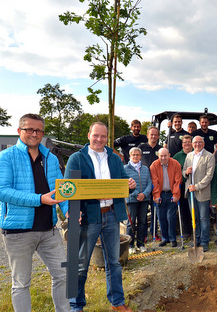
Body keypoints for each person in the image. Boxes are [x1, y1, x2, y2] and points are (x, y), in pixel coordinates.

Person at [0, 113, 70, 312]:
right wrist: (39, 199)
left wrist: (68, 212)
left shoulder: (50, 158)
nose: (34, 134)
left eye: (39, 130)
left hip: (49, 230)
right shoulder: (6, 157)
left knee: (63, 274)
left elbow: (61, 190)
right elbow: (2, 191)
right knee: (21, 283)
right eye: (29, 129)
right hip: (18, 232)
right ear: (19, 131)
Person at [65, 122, 136, 312]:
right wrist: (79, 205)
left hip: (111, 215)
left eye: (103, 136)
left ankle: (117, 302)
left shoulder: (114, 158)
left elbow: (123, 180)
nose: (99, 139)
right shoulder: (77, 159)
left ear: (107, 138)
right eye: (96, 135)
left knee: (114, 263)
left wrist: (130, 183)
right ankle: (75, 306)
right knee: (79, 265)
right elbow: (69, 189)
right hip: (88, 217)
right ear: (89, 135)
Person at [183, 136, 215, 251]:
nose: (197, 144)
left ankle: (204, 241)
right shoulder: (189, 156)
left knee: (203, 218)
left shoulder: (209, 156)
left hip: (202, 192)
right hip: (191, 193)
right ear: (192, 144)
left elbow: (209, 176)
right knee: (194, 218)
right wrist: (186, 172)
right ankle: (196, 239)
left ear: (203, 143)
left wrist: (196, 187)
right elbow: (183, 171)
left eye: (199, 142)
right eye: (195, 142)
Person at [150, 148, 182, 247]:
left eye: (165, 155)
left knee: (170, 216)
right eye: (161, 156)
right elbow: (154, 182)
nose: (163, 158)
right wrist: (156, 195)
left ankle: (172, 238)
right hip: (160, 193)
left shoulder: (176, 164)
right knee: (161, 216)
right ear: (158, 156)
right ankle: (165, 238)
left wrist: (176, 195)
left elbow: (178, 181)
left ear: (169, 155)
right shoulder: (154, 165)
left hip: (171, 193)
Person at [124, 147, 152, 254]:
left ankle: (141, 244)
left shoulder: (145, 168)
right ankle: (130, 245)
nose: (135, 156)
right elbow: (125, 184)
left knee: (142, 222)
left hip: (144, 200)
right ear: (130, 156)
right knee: (130, 223)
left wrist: (144, 194)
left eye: (137, 155)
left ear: (140, 156)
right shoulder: (125, 168)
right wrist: (136, 194)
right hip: (132, 200)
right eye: (133, 155)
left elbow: (149, 183)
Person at [139, 126, 163, 241]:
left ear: (158, 137)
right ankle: (142, 235)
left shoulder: (161, 149)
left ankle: (154, 232)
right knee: (143, 212)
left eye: (155, 135)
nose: (153, 136)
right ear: (147, 135)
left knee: (155, 210)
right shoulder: (141, 147)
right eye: (151, 134)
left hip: (156, 183)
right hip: (143, 183)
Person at [173, 135, 194, 240]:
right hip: (182, 187)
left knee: (195, 210)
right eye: (185, 142)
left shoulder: (196, 153)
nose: (187, 144)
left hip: (194, 186)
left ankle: (197, 231)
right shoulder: (177, 156)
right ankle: (186, 231)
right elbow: (174, 172)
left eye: (189, 142)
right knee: (184, 210)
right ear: (182, 144)